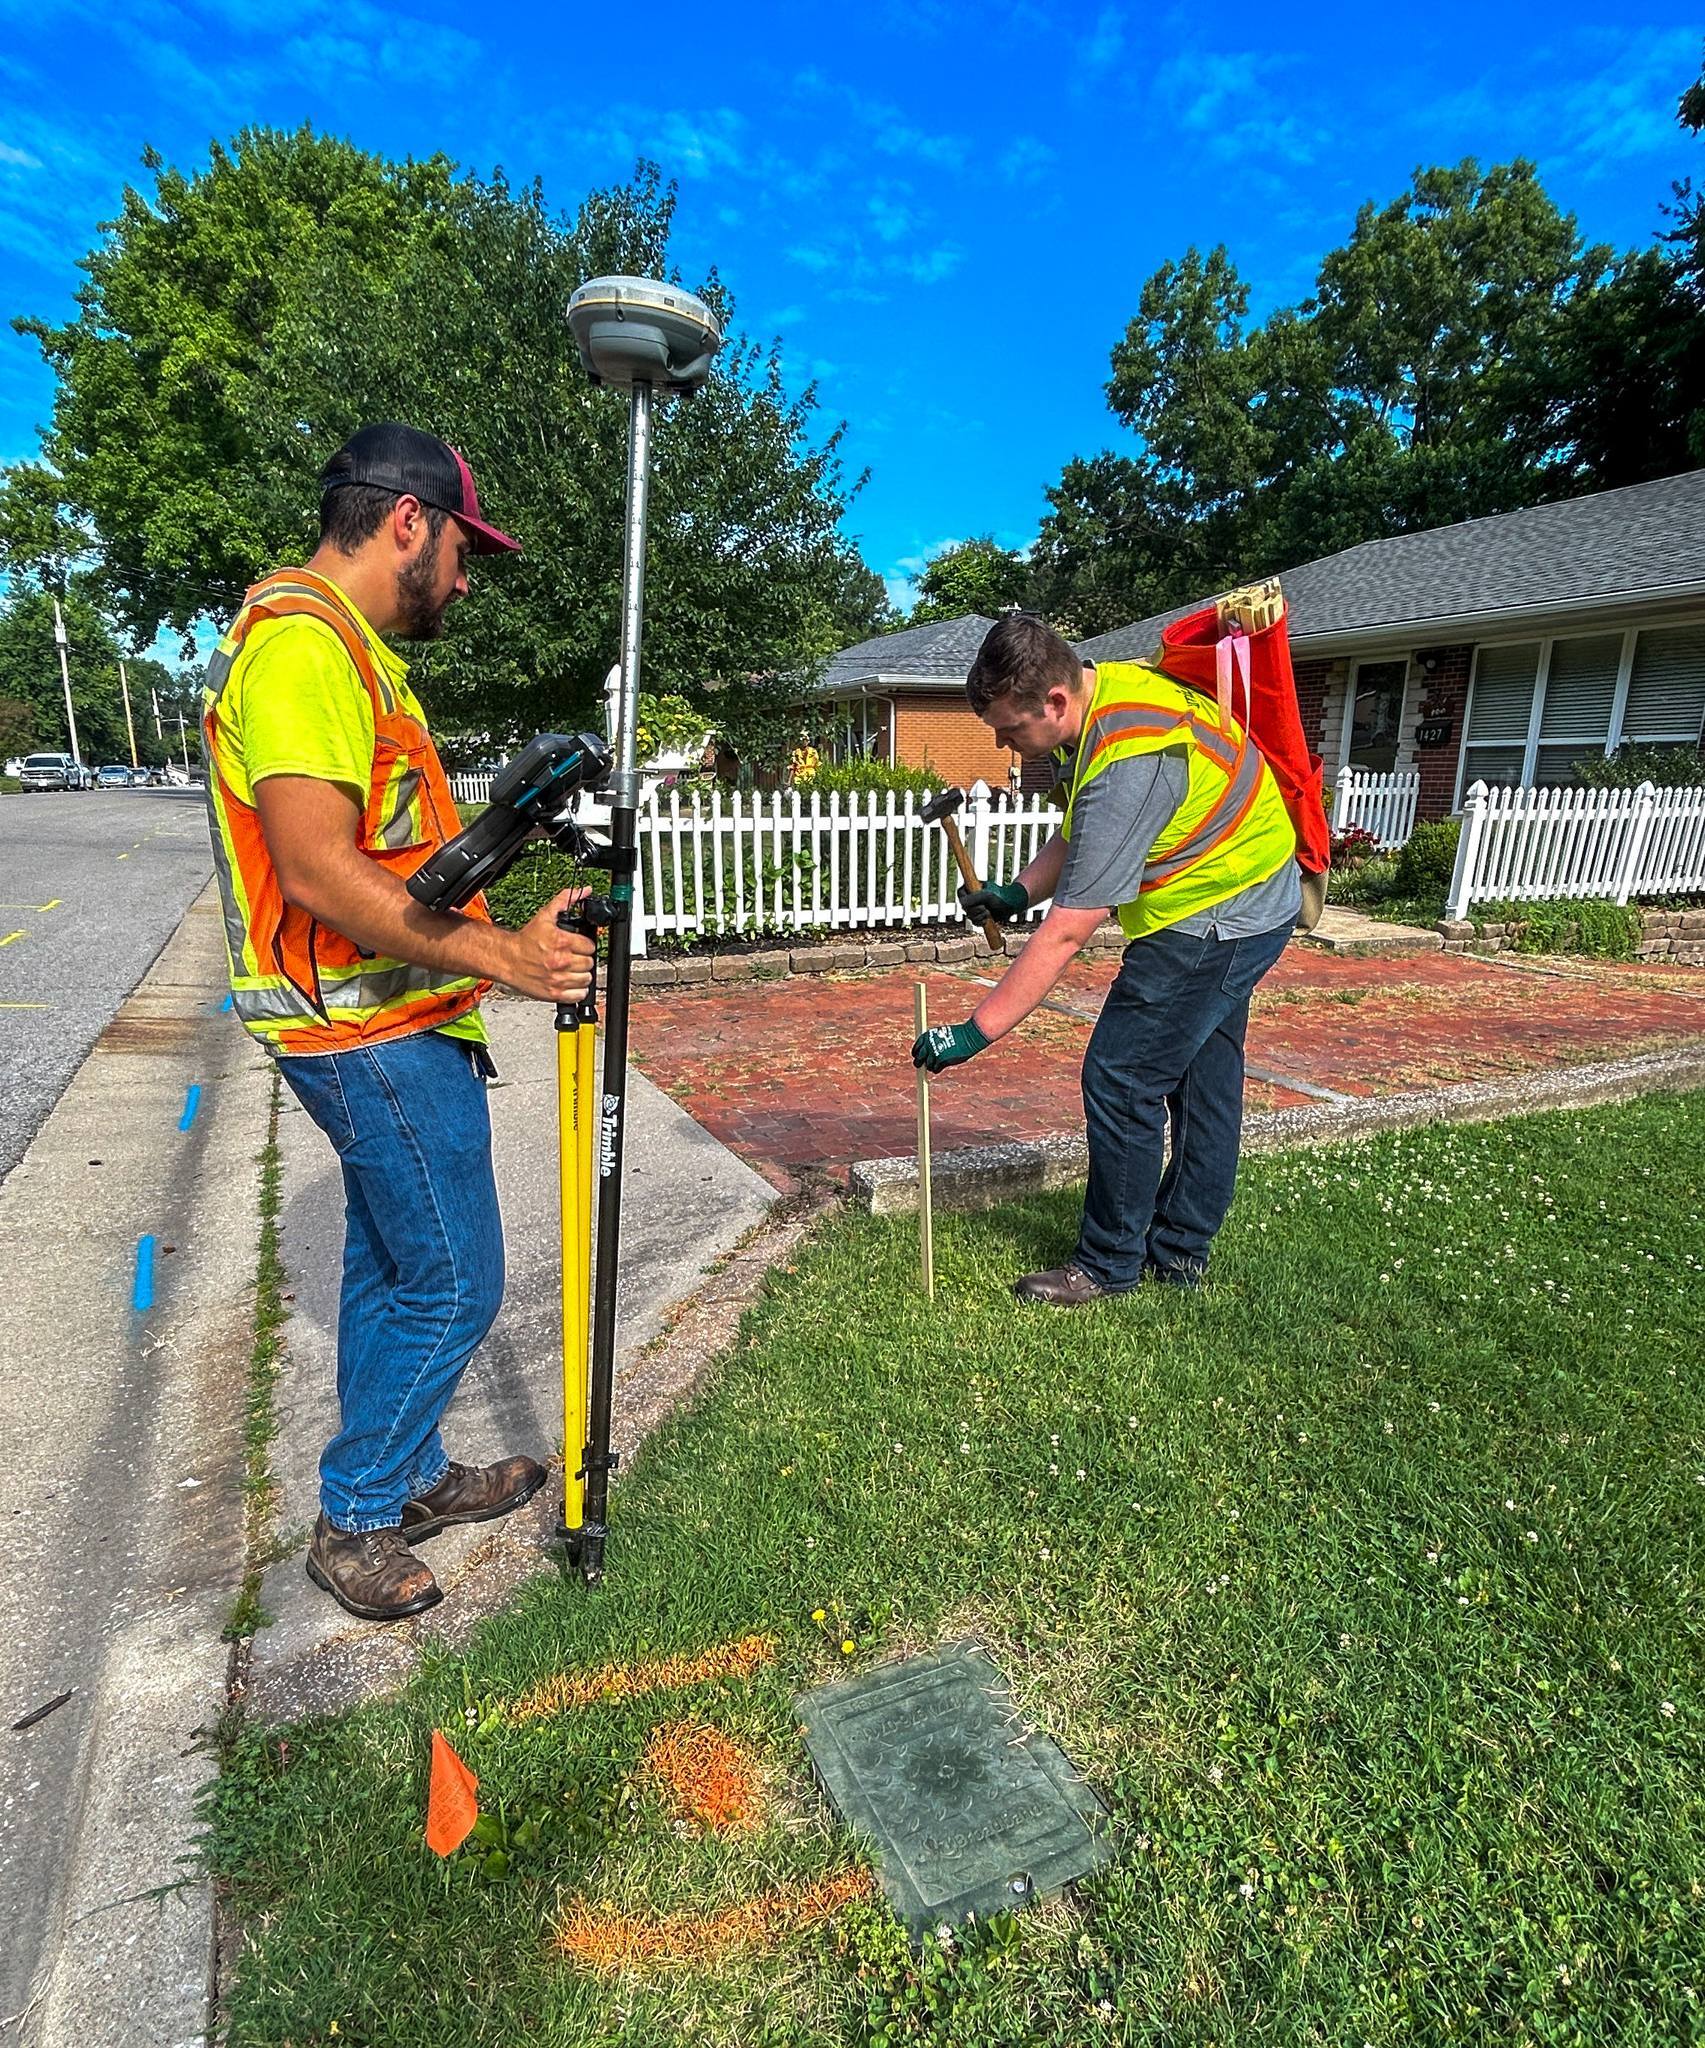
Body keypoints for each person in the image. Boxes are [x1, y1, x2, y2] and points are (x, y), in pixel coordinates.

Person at [202, 423, 595, 1621]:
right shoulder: (306, 650)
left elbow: (396, 856)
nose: (467, 578)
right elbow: (319, 873)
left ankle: (411, 1471)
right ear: (407, 522)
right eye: (464, 549)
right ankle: (359, 1509)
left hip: (386, 1016)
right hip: (359, 1028)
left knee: (390, 1266)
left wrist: (504, 857)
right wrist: (506, 955)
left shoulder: (348, 657)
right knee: (455, 1283)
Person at [911, 614, 1299, 1304]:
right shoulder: (1110, 694)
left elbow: (1067, 932)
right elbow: (1078, 832)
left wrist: (973, 1031)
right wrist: (1015, 891)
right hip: (1252, 893)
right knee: (1203, 1080)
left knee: (1121, 1077)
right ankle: (1178, 1254)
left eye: (1008, 728)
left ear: (1053, 701)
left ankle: (1109, 1263)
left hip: (1216, 915)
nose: (1002, 742)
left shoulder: (1129, 761)